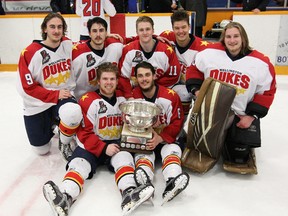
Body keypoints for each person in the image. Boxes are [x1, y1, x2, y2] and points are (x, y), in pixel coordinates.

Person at [43, 62, 154, 215]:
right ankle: (65, 196)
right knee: (79, 164)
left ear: (117, 80)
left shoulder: (124, 100)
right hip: (91, 145)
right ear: (98, 81)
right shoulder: (88, 100)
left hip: (115, 145)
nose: (109, 83)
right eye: (105, 79)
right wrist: (103, 147)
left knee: (124, 158)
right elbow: (84, 133)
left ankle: (129, 193)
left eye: (112, 79)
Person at [185, 22, 276, 174]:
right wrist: (196, 90)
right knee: (202, 149)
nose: (232, 40)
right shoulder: (209, 53)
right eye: (228, 36)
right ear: (223, 38)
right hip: (211, 113)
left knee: (238, 156)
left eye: (236, 36)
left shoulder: (261, 63)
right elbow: (193, 69)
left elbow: (267, 91)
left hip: (239, 116)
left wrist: (251, 116)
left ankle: (237, 144)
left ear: (243, 38)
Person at [16, 12, 82, 160]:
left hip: (63, 97)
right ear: (45, 29)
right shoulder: (30, 52)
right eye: (52, 27)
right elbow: (26, 88)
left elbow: (89, 45)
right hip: (37, 104)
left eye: (60, 27)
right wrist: (54, 95)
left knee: (73, 112)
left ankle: (64, 141)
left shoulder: (67, 44)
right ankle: (57, 128)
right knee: (42, 150)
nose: (56, 31)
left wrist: (110, 37)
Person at [132, 61, 189, 205]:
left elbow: (177, 122)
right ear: (136, 79)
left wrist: (161, 137)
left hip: (166, 140)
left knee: (172, 150)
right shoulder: (133, 96)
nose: (144, 79)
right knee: (142, 154)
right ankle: (145, 183)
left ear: (154, 76)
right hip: (145, 140)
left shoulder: (170, 96)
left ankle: (172, 180)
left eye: (147, 75)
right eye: (140, 76)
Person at [118, 15, 181, 99]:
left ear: (153, 31)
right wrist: (129, 96)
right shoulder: (128, 50)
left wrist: (152, 88)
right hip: (135, 92)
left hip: (160, 91)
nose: (145, 33)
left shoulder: (166, 51)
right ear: (137, 32)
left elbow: (174, 76)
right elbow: (123, 77)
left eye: (147, 29)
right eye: (141, 30)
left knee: (182, 94)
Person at [160, 10, 209, 114]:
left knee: (184, 94)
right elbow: (149, 39)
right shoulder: (167, 37)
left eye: (183, 27)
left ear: (189, 26)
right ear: (172, 28)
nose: (180, 31)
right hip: (170, 82)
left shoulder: (202, 47)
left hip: (191, 86)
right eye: (177, 28)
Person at [72, 16, 123, 100]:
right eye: (94, 31)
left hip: (107, 97)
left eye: (101, 30)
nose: (98, 35)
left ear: (106, 32)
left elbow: (136, 40)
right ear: (89, 33)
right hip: (82, 100)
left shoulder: (115, 45)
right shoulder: (77, 52)